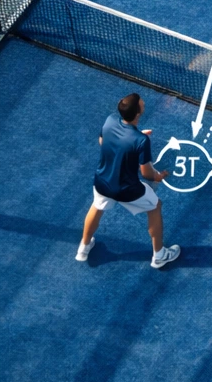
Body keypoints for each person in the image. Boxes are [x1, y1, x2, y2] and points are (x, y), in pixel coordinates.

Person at [76, 92, 181, 268]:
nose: (143, 102)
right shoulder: (141, 141)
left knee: (97, 206)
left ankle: (84, 247)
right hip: (127, 190)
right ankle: (160, 255)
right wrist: (159, 176)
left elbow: (103, 141)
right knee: (155, 206)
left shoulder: (110, 121)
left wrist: (130, 142)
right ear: (138, 113)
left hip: (102, 183)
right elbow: (147, 174)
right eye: (142, 103)